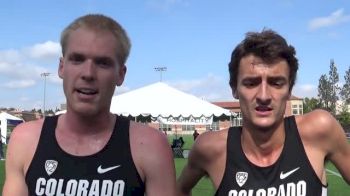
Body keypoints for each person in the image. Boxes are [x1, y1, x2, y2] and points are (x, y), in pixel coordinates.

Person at [3, 14, 176, 196]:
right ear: (61, 67)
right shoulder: (25, 139)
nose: (88, 73)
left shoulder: (150, 145)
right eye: (77, 59)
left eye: (103, 63)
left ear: (121, 74)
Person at [177, 29, 350, 195]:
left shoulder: (319, 130)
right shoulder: (210, 148)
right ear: (234, 88)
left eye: (276, 83)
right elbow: (179, 190)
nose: (264, 96)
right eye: (251, 83)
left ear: (289, 90)